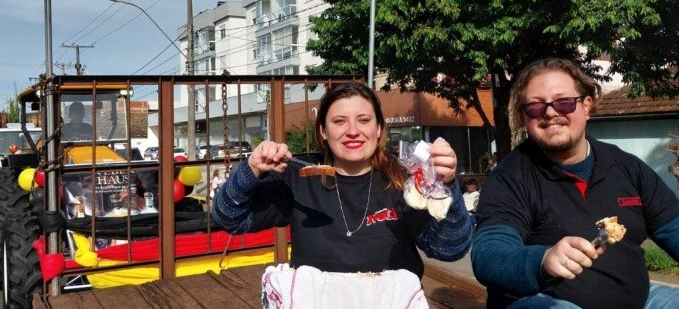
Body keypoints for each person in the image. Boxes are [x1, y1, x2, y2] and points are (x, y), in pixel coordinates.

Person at [472, 57, 679, 308]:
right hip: (541, 301)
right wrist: (543, 259)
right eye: (536, 107)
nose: (550, 112)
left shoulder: (627, 167)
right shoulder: (509, 177)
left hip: (639, 300)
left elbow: (673, 228)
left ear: (587, 106)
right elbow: (489, 254)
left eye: (564, 102)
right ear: (524, 117)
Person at [212, 81, 472, 278]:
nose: (352, 131)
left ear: (378, 128)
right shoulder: (298, 178)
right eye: (339, 122)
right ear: (324, 131)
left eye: (363, 120)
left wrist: (445, 185)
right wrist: (251, 169)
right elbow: (228, 218)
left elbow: (449, 249)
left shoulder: (404, 180)